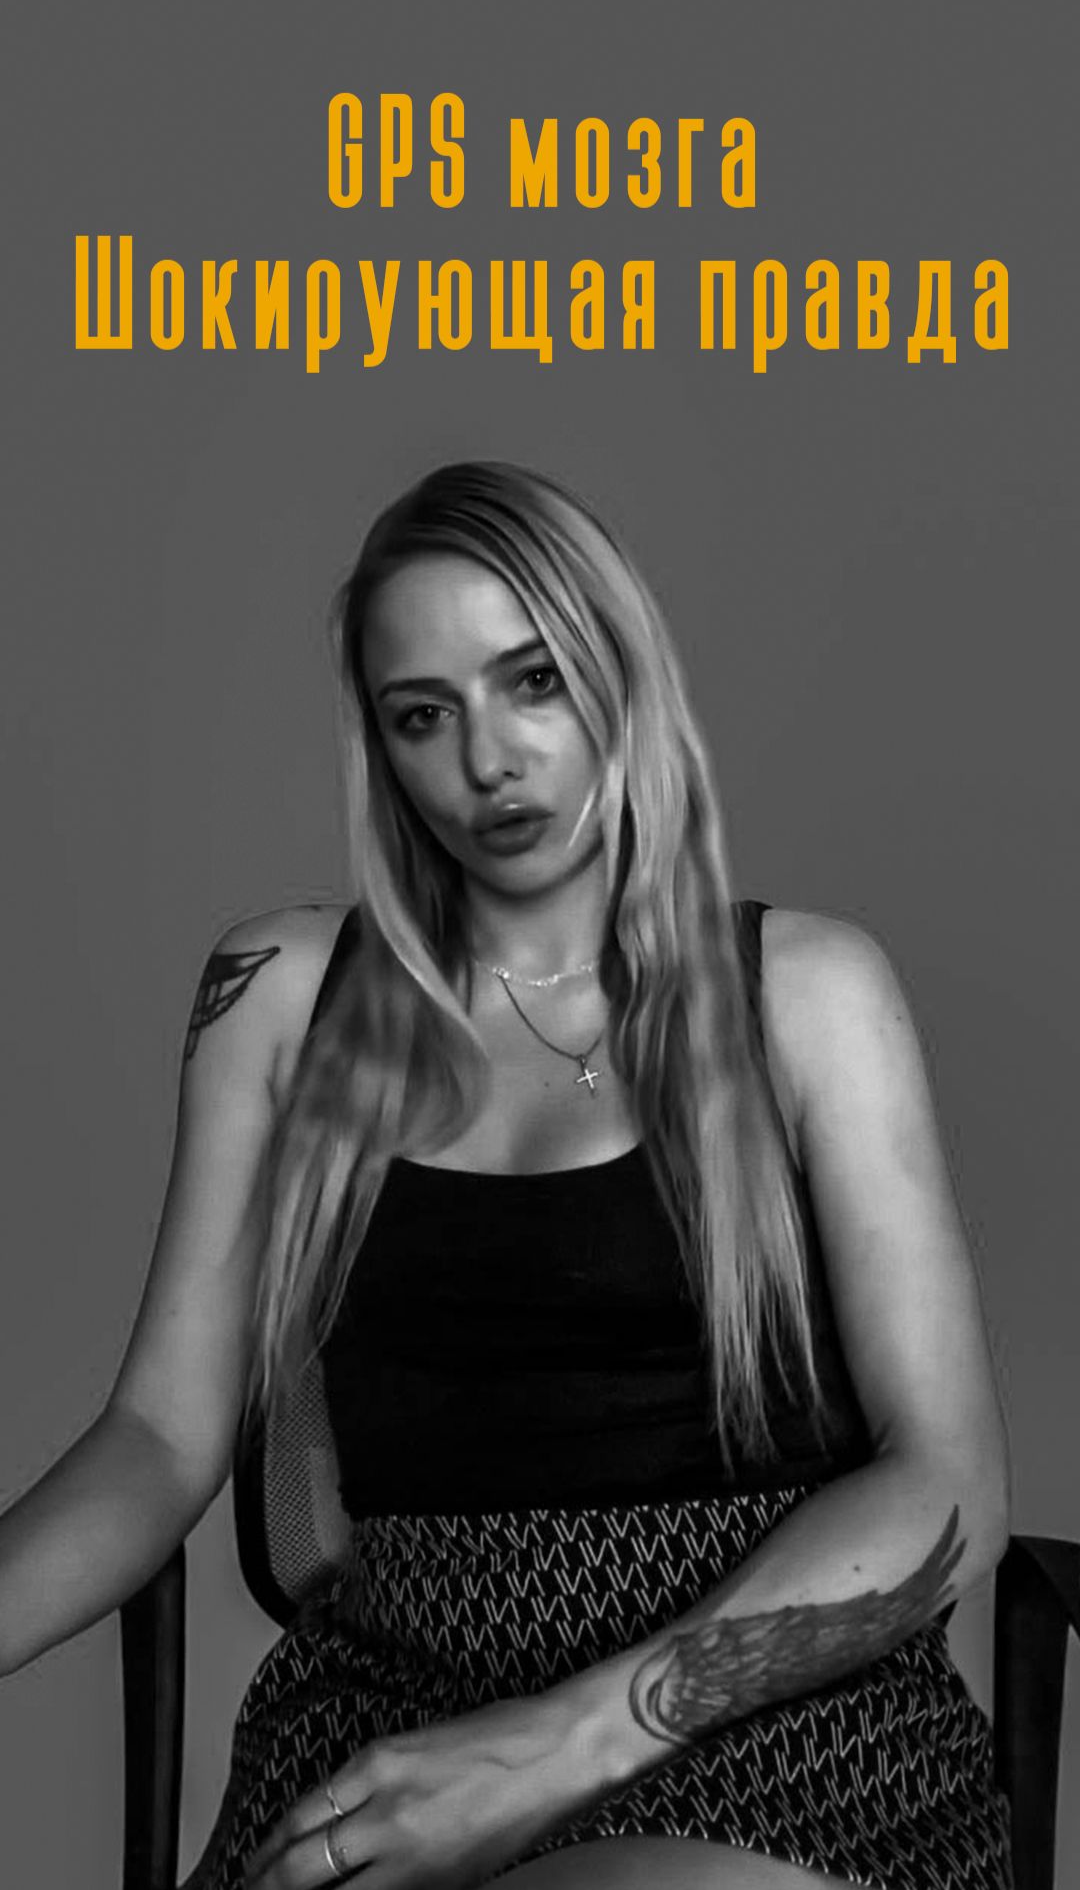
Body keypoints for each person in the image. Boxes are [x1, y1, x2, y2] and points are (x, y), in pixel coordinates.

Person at [0, 461, 1014, 1890]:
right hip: (389, 1710)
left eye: (532, 681)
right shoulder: (281, 993)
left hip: (770, 1708)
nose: (488, 761)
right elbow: (161, 1438)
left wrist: (555, 1748)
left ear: (620, 674)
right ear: (380, 746)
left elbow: (948, 1478)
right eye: (424, 714)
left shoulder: (807, 991)